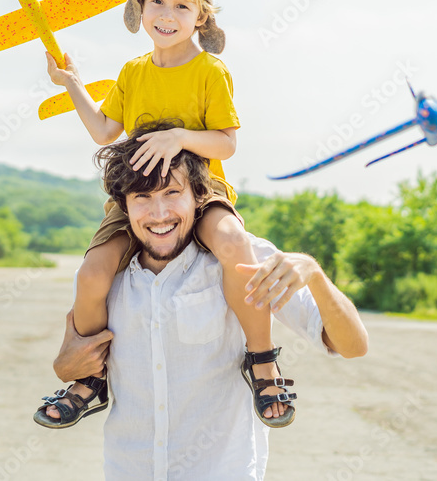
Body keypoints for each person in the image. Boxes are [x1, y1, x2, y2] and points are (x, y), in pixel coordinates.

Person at [35, 0, 293, 429]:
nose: (167, 15)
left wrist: (177, 137)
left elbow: (227, 142)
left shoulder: (210, 71)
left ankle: (261, 358)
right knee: (92, 273)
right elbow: (104, 131)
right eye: (157, 2)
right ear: (140, 8)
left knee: (236, 245)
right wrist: (71, 82)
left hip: (202, 190)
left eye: (182, 5)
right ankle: (91, 377)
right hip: (138, 196)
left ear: (201, 16)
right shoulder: (133, 72)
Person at [49, 124, 369, 480]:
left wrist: (315, 274)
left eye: (172, 192)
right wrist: (66, 367)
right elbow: (69, 363)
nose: (158, 214)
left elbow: (353, 345)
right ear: (124, 207)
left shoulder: (244, 261)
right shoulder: (107, 275)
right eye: (142, 198)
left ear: (198, 196)